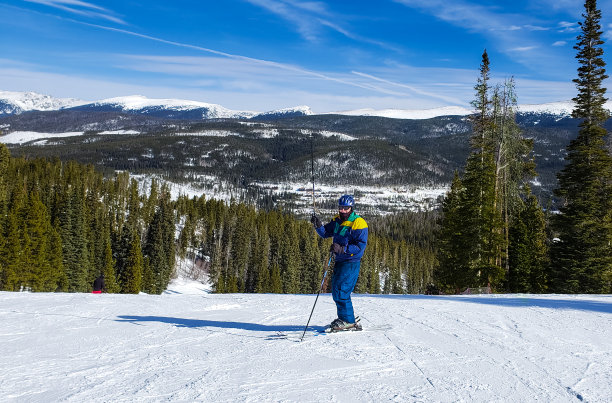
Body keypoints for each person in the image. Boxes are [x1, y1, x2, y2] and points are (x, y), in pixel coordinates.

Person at [311, 194, 368, 331]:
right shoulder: (337, 221)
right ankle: (345, 317)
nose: (343, 210)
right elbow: (325, 233)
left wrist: (342, 249)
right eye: (341, 207)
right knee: (336, 290)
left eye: (346, 208)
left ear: (351, 208)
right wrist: (318, 225)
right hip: (340, 261)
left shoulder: (359, 223)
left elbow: (360, 247)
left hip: (351, 262)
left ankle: (348, 321)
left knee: (342, 291)